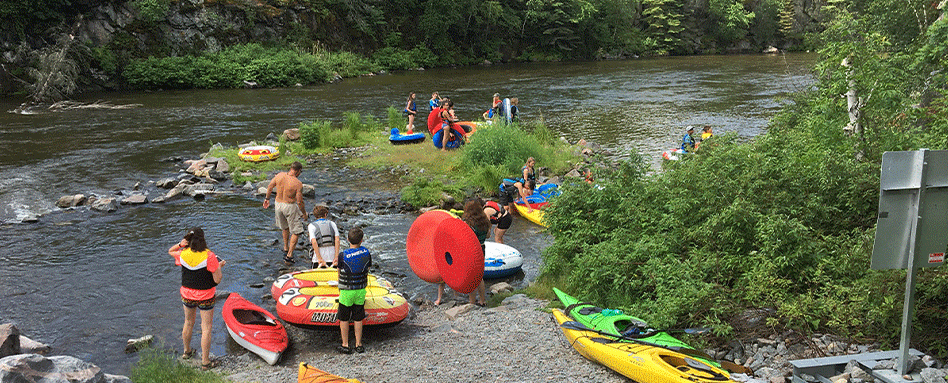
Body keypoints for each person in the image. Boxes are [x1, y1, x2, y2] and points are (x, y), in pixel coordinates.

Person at [168, 227, 224, 370]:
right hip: (206, 296)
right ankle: (205, 362)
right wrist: (219, 266)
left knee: (188, 322)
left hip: (187, 295)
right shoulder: (210, 256)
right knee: (206, 328)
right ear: (203, 239)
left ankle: (187, 352)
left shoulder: (183, 254)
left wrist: (180, 244)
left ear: (189, 240)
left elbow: (170, 251)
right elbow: (217, 280)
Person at [263, 161, 308, 265]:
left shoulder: (279, 175)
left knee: (285, 227)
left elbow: (270, 186)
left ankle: (285, 247)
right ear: (298, 171)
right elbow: (299, 201)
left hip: (278, 204)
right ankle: (289, 255)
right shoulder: (298, 183)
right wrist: (304, 213)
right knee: (296, 231)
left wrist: (267, 199)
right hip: (289, 206)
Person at [336, 227, 372, 354]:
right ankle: (359, 344)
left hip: (346, 291)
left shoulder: (343, 255)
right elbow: (367, 267)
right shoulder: (366, 253)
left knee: (344, 318)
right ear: (362, 240)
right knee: (358, 317)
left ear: (347, 239)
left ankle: (345, 344)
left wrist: (339, 286)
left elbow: (339, 271)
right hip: (360, 290)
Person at [462, 198, 490, 306]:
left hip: (471, 250)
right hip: (482, 249)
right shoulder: (485, 220)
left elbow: (464, 238)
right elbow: (488, 236)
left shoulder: (468, 222)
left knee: (471, 276)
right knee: (479, 276)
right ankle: (483, 300)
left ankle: (472, 302)